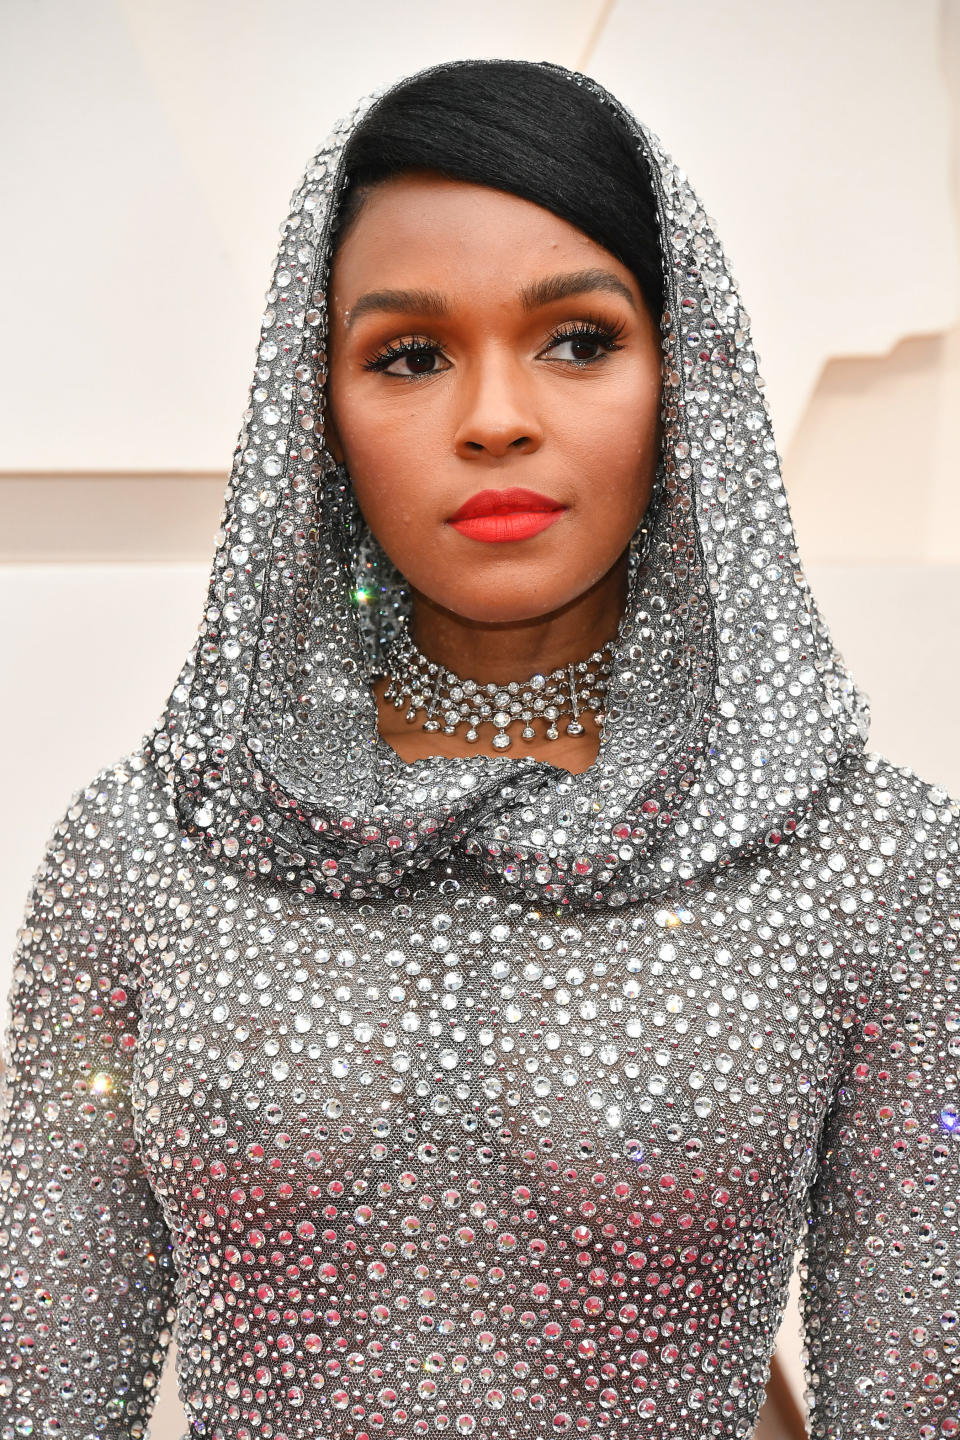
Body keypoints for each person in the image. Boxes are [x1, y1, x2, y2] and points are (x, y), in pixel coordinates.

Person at [1, 56, 957, 1440]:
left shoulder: (866, 862)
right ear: (311, 413)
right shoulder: (150, 853)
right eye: (410, 354)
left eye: (577, 339)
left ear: (686, 377)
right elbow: (42, 1394)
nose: (496, 416)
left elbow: (913, 1400)